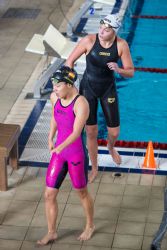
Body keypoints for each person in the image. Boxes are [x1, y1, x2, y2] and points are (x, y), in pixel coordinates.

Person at [65, 13, 134, 183]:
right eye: (101, 27)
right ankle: (94, 168)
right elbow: (69, 62)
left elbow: (131, 72)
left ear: (114, 31)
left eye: (107, 29)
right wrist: (71, 84)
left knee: (114, 131)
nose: (102, 30)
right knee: (91, 131)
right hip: (88, 89)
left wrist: (119, 69)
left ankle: (111, 147)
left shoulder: (121, 45)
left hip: (107, 89)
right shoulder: (89, 41)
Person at [37, 66, 94, 246]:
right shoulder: (56, 97)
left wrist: (59, 147)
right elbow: (55, 115)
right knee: (49, 194)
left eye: (58, 85)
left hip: (75, 153)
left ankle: (90, 225)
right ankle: (51, 232)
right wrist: (50, 136)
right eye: (53, 84)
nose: (54, 88)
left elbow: (77, 132)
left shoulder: (81, 103)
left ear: (70, 85)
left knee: (81, 192)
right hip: (59, 153)